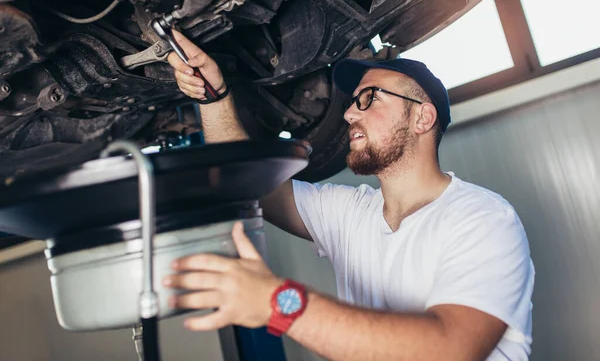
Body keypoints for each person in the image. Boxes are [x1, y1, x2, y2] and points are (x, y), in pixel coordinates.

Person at [162, 30, 535, 361]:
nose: (349, 116)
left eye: (369, 98)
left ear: (422, 119)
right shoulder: (351, 212)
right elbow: (248, 183)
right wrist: (214, 97)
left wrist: (276, 302)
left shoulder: (481, 219)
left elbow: (450, 349)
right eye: (352, 102)